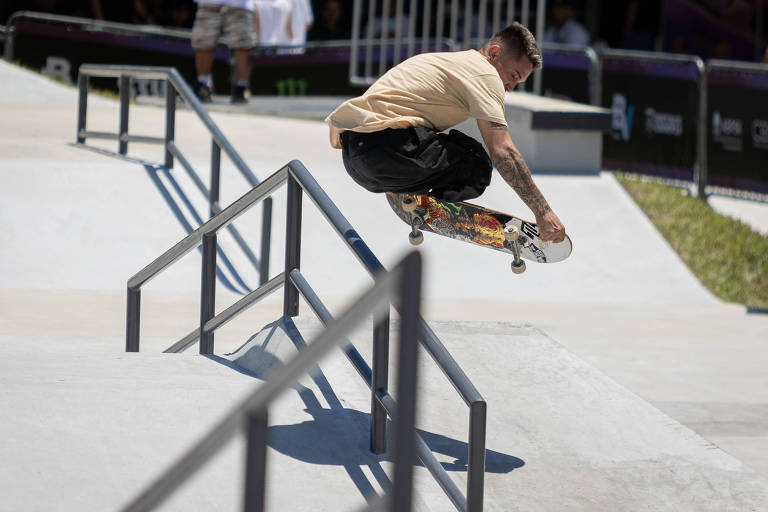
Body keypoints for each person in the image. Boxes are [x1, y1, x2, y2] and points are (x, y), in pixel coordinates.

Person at [325, 23, 566, 243]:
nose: (510, 87)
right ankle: (425, 201)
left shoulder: (443, 62)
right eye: (514, 76)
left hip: (356, 160)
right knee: (476, 163)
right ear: (494, 53)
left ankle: (408, 190)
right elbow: (503, 152)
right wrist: (542, 212)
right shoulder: (486, 74)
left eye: (518, 82)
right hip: (388, 149)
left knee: (440, 141)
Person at [191, 0, 256, 103]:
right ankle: (203, 85)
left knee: (243, 45)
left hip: (239, 4)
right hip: (209, 3)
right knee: (203, 43)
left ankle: (242, 87)